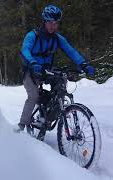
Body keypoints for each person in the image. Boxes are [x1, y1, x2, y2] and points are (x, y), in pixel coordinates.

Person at [13, 5, 95, 140]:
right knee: (33, 96)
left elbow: (71, 51)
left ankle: (49, 117)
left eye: (56, 23)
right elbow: (25, 50)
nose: (53, 26)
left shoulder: (57, 38)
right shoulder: (33, 35)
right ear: (44, 21)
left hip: (47, 70)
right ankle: (22, 125)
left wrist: (83, 64)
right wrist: (32, 63)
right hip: (31, 71)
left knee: (61, 88)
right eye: (50, 22)